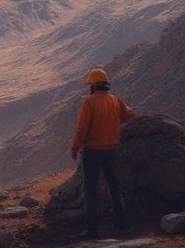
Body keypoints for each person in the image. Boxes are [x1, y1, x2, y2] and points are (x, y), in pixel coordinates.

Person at [71, 67, 135, 239]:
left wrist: (75, 147)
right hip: (112, 150)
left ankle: (93, 231)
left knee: (91, 191)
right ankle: (122, 227)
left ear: (93, 86)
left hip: (92, 152)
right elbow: (129, 114)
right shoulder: (115, 100)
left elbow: (82, 129)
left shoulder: (89, 102)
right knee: (114, 187)